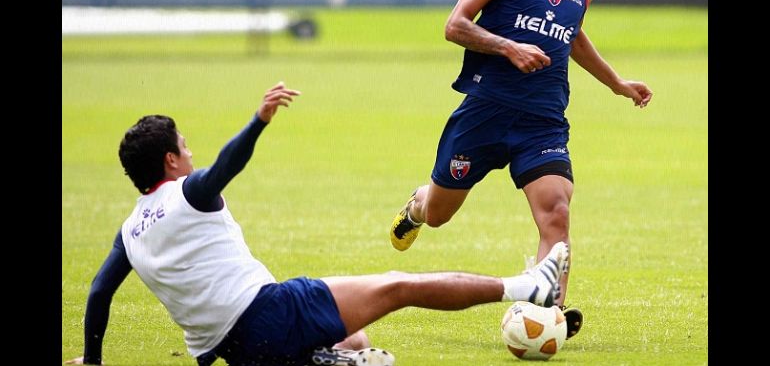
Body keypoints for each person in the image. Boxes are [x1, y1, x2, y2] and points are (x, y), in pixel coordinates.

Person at [66, 81, 571, 366]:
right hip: (271, 311)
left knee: (357, 343)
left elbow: (98, 293)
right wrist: (259, 121)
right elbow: (226, 166)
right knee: (398, 286)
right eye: (184, 147)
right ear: (171, 162)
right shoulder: (187, 193)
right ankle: (527, 284)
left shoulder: (129, 233)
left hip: (235, 353)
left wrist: (91, 361)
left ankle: (326, 360)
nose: (190, 154)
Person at [389, 0, 653, 341]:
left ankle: (551, 310)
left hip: (542, 121)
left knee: (556, 211)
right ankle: (416, 204)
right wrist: (508, 47)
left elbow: (573, 36)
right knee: (438, 214)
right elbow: (454, 25)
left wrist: (617, 83)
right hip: (485, 113)